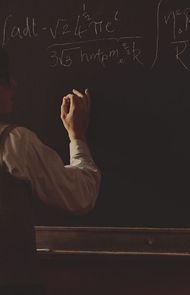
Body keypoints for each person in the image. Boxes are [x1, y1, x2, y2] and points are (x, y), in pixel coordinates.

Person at [0, 47, 101, 292]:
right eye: (4, 78)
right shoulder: (15, 143)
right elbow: (81, 194)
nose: (14, 84)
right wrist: (77, 136)